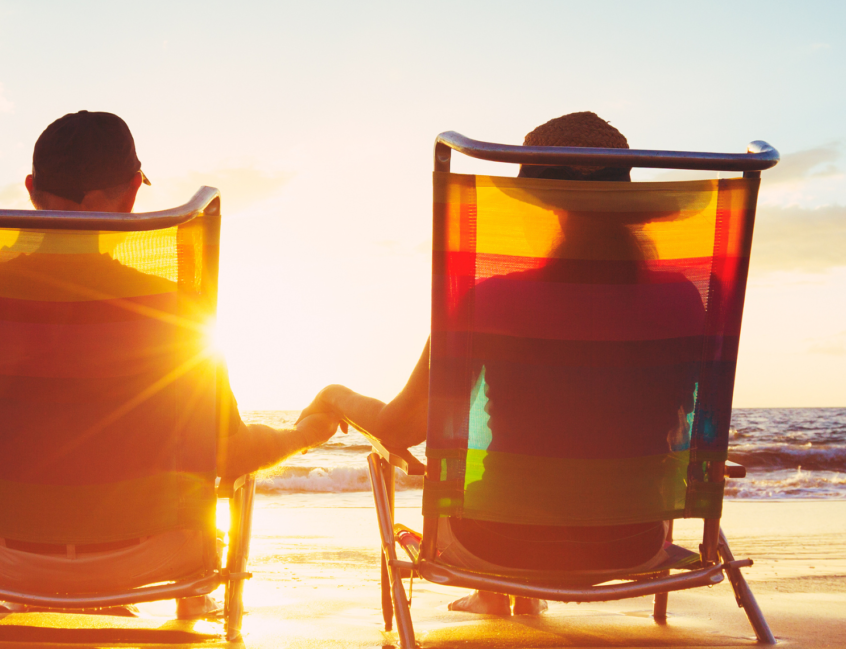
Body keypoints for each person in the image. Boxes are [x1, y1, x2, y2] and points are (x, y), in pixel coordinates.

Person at [0, 110, 339, 615]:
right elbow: (228, 457)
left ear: (32, 189)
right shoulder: (177, 312)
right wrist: (305, 433)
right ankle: (188, 608)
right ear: (131, 195)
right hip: (151, 558)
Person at [301, 112, 704, 616]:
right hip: (634, 540)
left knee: (495, 481)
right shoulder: (684, 300)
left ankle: (496, 588)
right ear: (626, 205)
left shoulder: (492, 300)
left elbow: (399, 428)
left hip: (495, 542)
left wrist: (335, 395)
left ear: (545, 208)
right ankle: (506, 594)